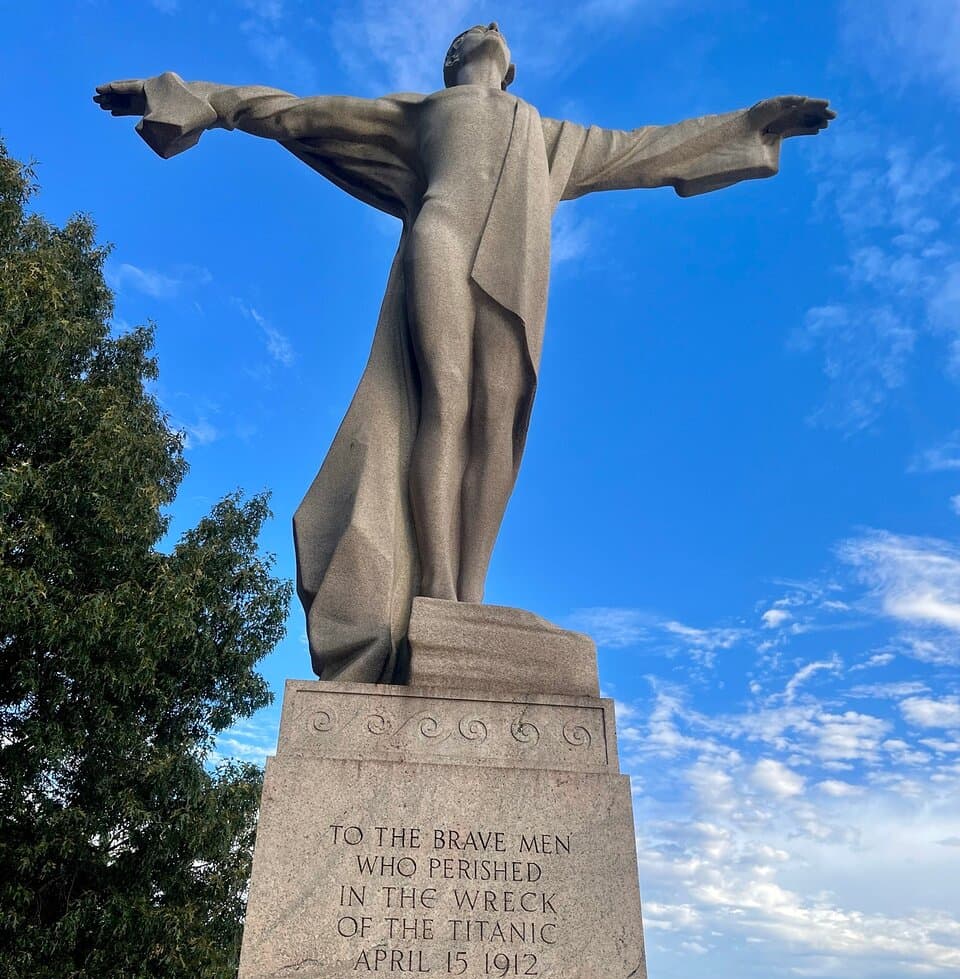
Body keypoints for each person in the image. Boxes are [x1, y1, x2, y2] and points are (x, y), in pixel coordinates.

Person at [95, 23, 833, 683]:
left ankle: (468, 601)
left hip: (518, 272)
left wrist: (749, 125)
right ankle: (437, 594)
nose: (492, 24)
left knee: (497, 424)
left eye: (498, 27)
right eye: (473, 27)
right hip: (441, 243)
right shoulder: (422, 112)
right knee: (442, 407)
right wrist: (177, 95)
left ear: (508, 67)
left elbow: (646, 150)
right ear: (456, 59)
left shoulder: (551, 137)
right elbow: (291, 111)